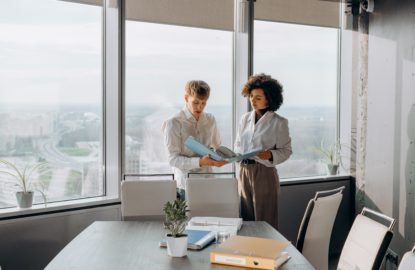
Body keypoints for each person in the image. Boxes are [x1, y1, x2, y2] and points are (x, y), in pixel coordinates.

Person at [234, 73, 292, 229]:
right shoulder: (244, 119)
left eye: (258, 97)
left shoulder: (279, 123)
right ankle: (248, 252)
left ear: (269, 99)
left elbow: (286, 151)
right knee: (245, 220)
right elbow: (238, 144)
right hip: (244, 171)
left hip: (264, 173)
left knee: (265, 221)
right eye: (251, 96)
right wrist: (234, 155)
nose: (253, 100)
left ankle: (266, 251)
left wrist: (270, 154)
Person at [162, 80, 227, 199]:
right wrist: (200, 162)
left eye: (203, 103)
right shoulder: (174, 122)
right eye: (195, 102)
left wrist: (218, 157)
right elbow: (173, 159)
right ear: (186, 98)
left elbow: (217, 144)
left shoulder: (210, 119)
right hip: (186, 186)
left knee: (210, 218)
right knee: (187, 218)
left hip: (208, 182)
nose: (200, 107)